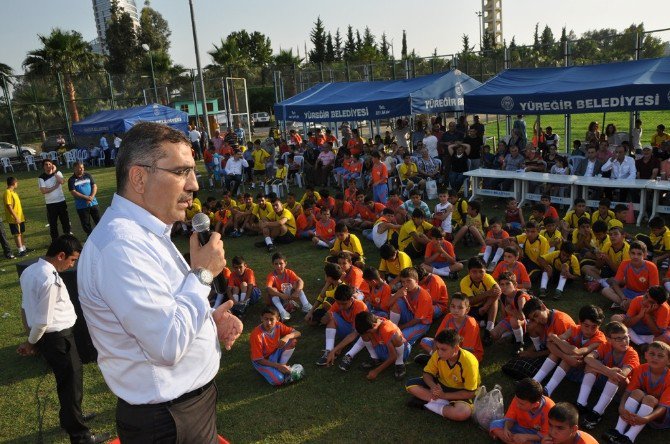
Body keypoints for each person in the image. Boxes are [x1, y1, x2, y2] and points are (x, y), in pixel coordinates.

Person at [77, 122, 241, 442]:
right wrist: (203, 274)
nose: (194, 184)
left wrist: (207, 323)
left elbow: (163, 312)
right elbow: (167, 344)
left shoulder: (148, 233)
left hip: (183, 410)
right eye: (181, 172)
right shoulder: (120, 247)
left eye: (193, 171)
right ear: (139, 177)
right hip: (168, 421)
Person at [17, 235, 109, 443]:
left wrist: (30, 337)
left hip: (52, 339)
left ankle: (70, 417)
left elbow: (25, 307)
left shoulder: (30, 271)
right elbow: (42, 321)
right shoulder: (50, 279)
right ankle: (81, 436)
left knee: (66, 382)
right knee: (71, 384)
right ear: (61, 255)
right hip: (59, 339)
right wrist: (31, 343)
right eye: (72, 260)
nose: (71, 265)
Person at [405, 329, 480, 421]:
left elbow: (470, 393)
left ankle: (428, 404)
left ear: (456, 348)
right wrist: (433, 387)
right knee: (410, 385)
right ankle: (443, 404)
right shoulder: (438, 354)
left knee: (462, 413)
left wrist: (444, 395)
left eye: (443, 349)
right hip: (440, 385)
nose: (439, 352)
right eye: (438, 348)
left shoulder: (469, 362)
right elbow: (427, 374)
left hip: (459, 391)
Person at [603, 341, 670, 444]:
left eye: (660, 356)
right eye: (652, 354)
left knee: (649, 399)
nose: (655, 358)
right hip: (640, 406)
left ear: (668, 361)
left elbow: (663, 408)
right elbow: (628, 391)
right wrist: (621, 407)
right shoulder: (640, 369)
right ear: (646, 355)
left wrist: (646, 419)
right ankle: (618, 430)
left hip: (659, 414)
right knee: (637, 392)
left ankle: (629, 437)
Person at [578, 321, 640, 429]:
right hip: (606, 381)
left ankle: (598, 412)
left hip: (623, 391)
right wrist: (607, 371)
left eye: (626, 337)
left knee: (615, 376)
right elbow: (588, 358)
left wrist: (607, 371)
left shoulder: (632, 354)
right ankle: (581, 403)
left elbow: (622, 375)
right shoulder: (606, 346)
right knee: (591, 366)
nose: (624, 341)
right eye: (618, 339)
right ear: (609, 340)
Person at [532, 305, 606, 397]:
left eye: (594, 327)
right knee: (562, 352)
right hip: (571, 363)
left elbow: (578, 351)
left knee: (566, 351)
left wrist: (555, 338)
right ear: (580, 322)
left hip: (587, 372)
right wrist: (558, 343)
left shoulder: (600, 339)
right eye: (586, 326)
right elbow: (549, 343)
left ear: (599, 326)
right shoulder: (575, 328)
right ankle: (534, 382)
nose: (589, 330)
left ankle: (547, 389)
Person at [416, 292, 483, 364]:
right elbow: (437, 339)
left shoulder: (471, 323)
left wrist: (446, 352)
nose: (456, 310)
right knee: (425, 341)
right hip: (449, 347)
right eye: (453, 306)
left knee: (464, 360)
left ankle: (439, 361)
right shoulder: (448, 317)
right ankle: (436, 359)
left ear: (467, 310)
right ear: (449, 307)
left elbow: (467, 350)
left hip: (469, 354)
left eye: (460, 307)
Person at [489, 377, 555, 443]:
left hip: (535, 434)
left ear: (535, 404)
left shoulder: (549, 409)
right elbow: (510, 418)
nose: (517, 405)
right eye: (516, 399)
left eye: (521, 404)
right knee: (495, 424)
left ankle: (509, 440)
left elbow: (547, 434)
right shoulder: (518, 398)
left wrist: (526, 437)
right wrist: (507, 429)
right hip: (519, 426)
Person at [249, 307, 302, 386]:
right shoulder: (256, 335)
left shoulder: (278, 325)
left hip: (275, 352)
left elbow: (298, 333)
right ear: (261, 318)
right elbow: (259, 359)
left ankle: (282, 365)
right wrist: (278, 366)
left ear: (277, 319)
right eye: (266, 319)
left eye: (271, 319)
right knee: (279, 380)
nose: (269, 322)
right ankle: (280, 368)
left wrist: (287, 336)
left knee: (292, 340)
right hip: (262, 361)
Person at [350, 311, 410, 380]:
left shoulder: (387, 330)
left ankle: (400, 363)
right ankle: (375, 358)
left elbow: (393, 356)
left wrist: (376, 371)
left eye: (369, 331)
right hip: (384, 347)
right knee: (364, 334)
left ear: (374, 325)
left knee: (395, 337)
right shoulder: (373, 320)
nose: (368, 333)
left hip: (400, 352)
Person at [601, 241, 659, 311]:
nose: (635, 256)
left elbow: (653, 290)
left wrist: (637, 299)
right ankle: (628, 306)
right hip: (627, 292)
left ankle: (627, 306)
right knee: (605, 290)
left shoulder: (651, 267)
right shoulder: (624, 264)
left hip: (643, 295)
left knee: (653, 302)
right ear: (629, 253)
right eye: (633, 253)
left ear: (645, 255)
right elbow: (615, 283)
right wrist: (623, 298)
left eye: (639, 254)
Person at [490, 272, 530, 355]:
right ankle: (512, 335)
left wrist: (511, 311)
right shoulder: (503, 296)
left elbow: (523, 316)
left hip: (528, 321)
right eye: (502, 284)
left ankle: (519, 343)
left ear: (515, 284)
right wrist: (501, 330)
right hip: (512, 320)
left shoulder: (520, 296)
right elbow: (504, 315)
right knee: (493, 335)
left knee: (513, 320)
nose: (504, 287)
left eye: (508, 284)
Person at [265, 252, 312, 321]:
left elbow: (300, 281)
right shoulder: (271, 276)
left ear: (285, 263)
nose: (278, 266)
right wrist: (281, 295)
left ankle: (306, 306)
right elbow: (268, 289)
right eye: (276, 264)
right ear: (273, 264)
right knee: (273, 290)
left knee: (298, 287)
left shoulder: (289, 272)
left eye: (281, 263)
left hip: (289, 295)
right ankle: (283, 312)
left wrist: (297, 291)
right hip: (279, 299)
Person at [39, 159, 71, 241]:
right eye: (46, 164)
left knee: (65, 221)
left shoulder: (58, 173)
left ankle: (67, 237)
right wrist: (55, 187)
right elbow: (43, 191)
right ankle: (55, 240)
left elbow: (62, 181)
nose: (48, 166)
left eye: (50, 164)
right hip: (50, 204)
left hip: (61, 201)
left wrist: (54, 173)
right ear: (43, 167)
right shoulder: (41, 178)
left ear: (52, 165)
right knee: (53, 223)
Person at [68, 162, 100, 236]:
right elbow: (73, 192)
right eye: (80, 168)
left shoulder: (88, 175)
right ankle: (90, 238)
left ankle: (101, 236)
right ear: (75, 168)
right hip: (82, 206)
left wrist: (91, 196)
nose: (82, 169)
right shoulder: (71, 180)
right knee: (86, 224)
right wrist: (86, 198)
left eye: (82, 167)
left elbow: (94, 186)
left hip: (93, 203)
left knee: (98, 221)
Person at [4, 176, 29, 257]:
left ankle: (24, 248)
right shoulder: (7, 192)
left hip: (19, 217)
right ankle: (20, 251)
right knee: (17, 234)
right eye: (17, 182)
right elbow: (9, 206)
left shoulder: (14, 193)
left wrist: (22, 216)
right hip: (14, 218)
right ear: (14, 183)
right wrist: (15, 217)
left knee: (21, 233)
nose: (17, 184)